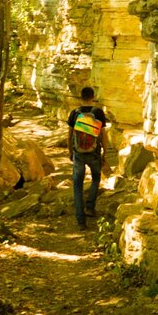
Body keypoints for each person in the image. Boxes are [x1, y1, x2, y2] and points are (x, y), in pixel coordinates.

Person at [67, 86, 108, 229]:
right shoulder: (98, 112)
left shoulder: (74, 113)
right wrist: (105, 152)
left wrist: (70, 151)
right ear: (93, 96)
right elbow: (103, 134)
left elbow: (70, 134)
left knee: (77, 185)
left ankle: (81, 222)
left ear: (81, 96)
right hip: (94, 153)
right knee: (96, 178)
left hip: (78, 153)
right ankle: (90, 207)